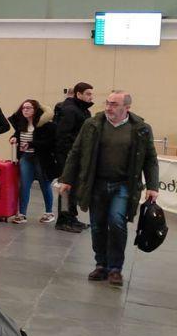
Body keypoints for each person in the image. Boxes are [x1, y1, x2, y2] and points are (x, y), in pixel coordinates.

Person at [59, 90, 159, 287]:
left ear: (127, 108)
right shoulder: (92, 125)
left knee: (116, 222)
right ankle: (101, 264)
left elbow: (150, 159)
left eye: (114, 104)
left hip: (124, 185)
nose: (108, 107)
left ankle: (115, 269)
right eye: (107, 103)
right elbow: (76, 152)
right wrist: (66, 179)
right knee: (97, 225)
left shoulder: (140, 128)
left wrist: (153, 186)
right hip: (96, 184)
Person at [8, 99, 58, 225]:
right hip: (26, 157)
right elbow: (18, 134)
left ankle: (49, 212)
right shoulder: (21, 124)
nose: (25, 110)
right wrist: (14, 138)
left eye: (29, 108)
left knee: (44, 184)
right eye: (24, 108)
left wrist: (31, 144)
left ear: (35, 110)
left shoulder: (45, 124)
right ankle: (22, 214)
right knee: (24, 185)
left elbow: (50, 143)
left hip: (41, 158)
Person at [53, 82, 95, 232]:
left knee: (74, 188)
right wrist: (69, 156)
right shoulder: (71, 110)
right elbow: (62, 135)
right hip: (68, 157)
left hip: (77, 156)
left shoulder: (82, 110)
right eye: (88, 94)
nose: (91, 97)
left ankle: (71, 217)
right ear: (79, 94)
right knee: (65, 188)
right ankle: (63, 219)